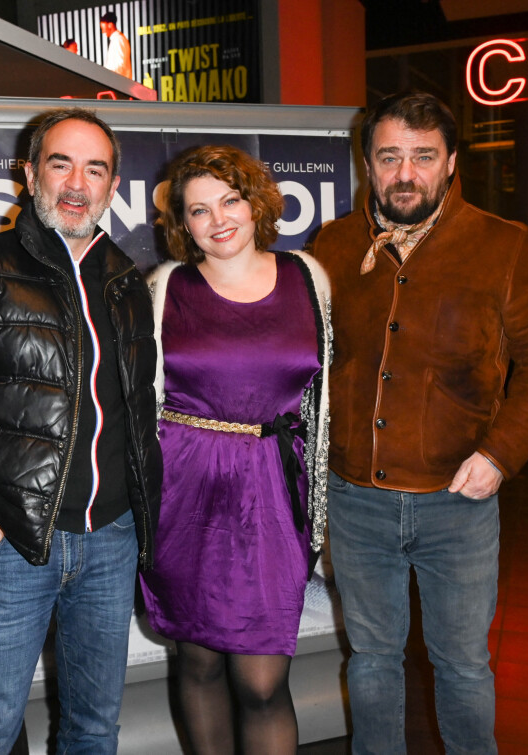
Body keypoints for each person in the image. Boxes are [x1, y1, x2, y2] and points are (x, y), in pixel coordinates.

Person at [313, 90, 528, 754]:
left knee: (463, 668)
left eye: (422, 156)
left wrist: (501, 451)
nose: (404, 173)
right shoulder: (334, 243)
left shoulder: (506, 246)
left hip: (458, 503)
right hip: (357, 502)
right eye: (390, 156)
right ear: (368, 162)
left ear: (450, 162)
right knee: (372, 663)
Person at [0, 107, 162, 754]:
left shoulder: (128, 280)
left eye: (95, 168)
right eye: (61, 162)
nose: (77, 182)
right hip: (10, 545)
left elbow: (137, 414)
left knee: (95, 730)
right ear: (28, 172)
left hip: (110, 542)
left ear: (112, 185)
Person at [140, 144, 331, 754]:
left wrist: (320, 505)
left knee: (263, 681)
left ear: (255, 203)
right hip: (185, 492)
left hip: (274, 491)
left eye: (230, 200)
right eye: (198, 210)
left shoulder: (308, 275)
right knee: (197, 663)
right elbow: (142, 401)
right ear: (182, 224)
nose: (218, 219)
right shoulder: (168, 286)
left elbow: (322, 401)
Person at [100, 11, 132, 79]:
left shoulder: (118, 40)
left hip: (119, 84)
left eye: (103, 28)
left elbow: (120, 66)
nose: (103, 32)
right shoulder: (117, 39)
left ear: (110, 25)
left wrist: (106, 76)